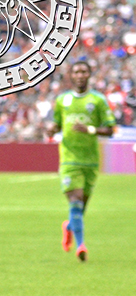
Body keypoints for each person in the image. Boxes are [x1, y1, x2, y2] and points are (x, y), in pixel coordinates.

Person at [48, 61, 116, 262]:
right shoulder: (62, 100)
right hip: (69, 159)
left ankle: (68, 227)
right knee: (75, 200)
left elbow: (110, 129)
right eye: (76, 71)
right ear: (70, 75)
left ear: (89, 75)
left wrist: (90, 130)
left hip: (91, 161)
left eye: (83, 71)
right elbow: (57, 123)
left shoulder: (98, 100)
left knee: (80, 208)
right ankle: (81, 246)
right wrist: (52, 129)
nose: (80, 75)